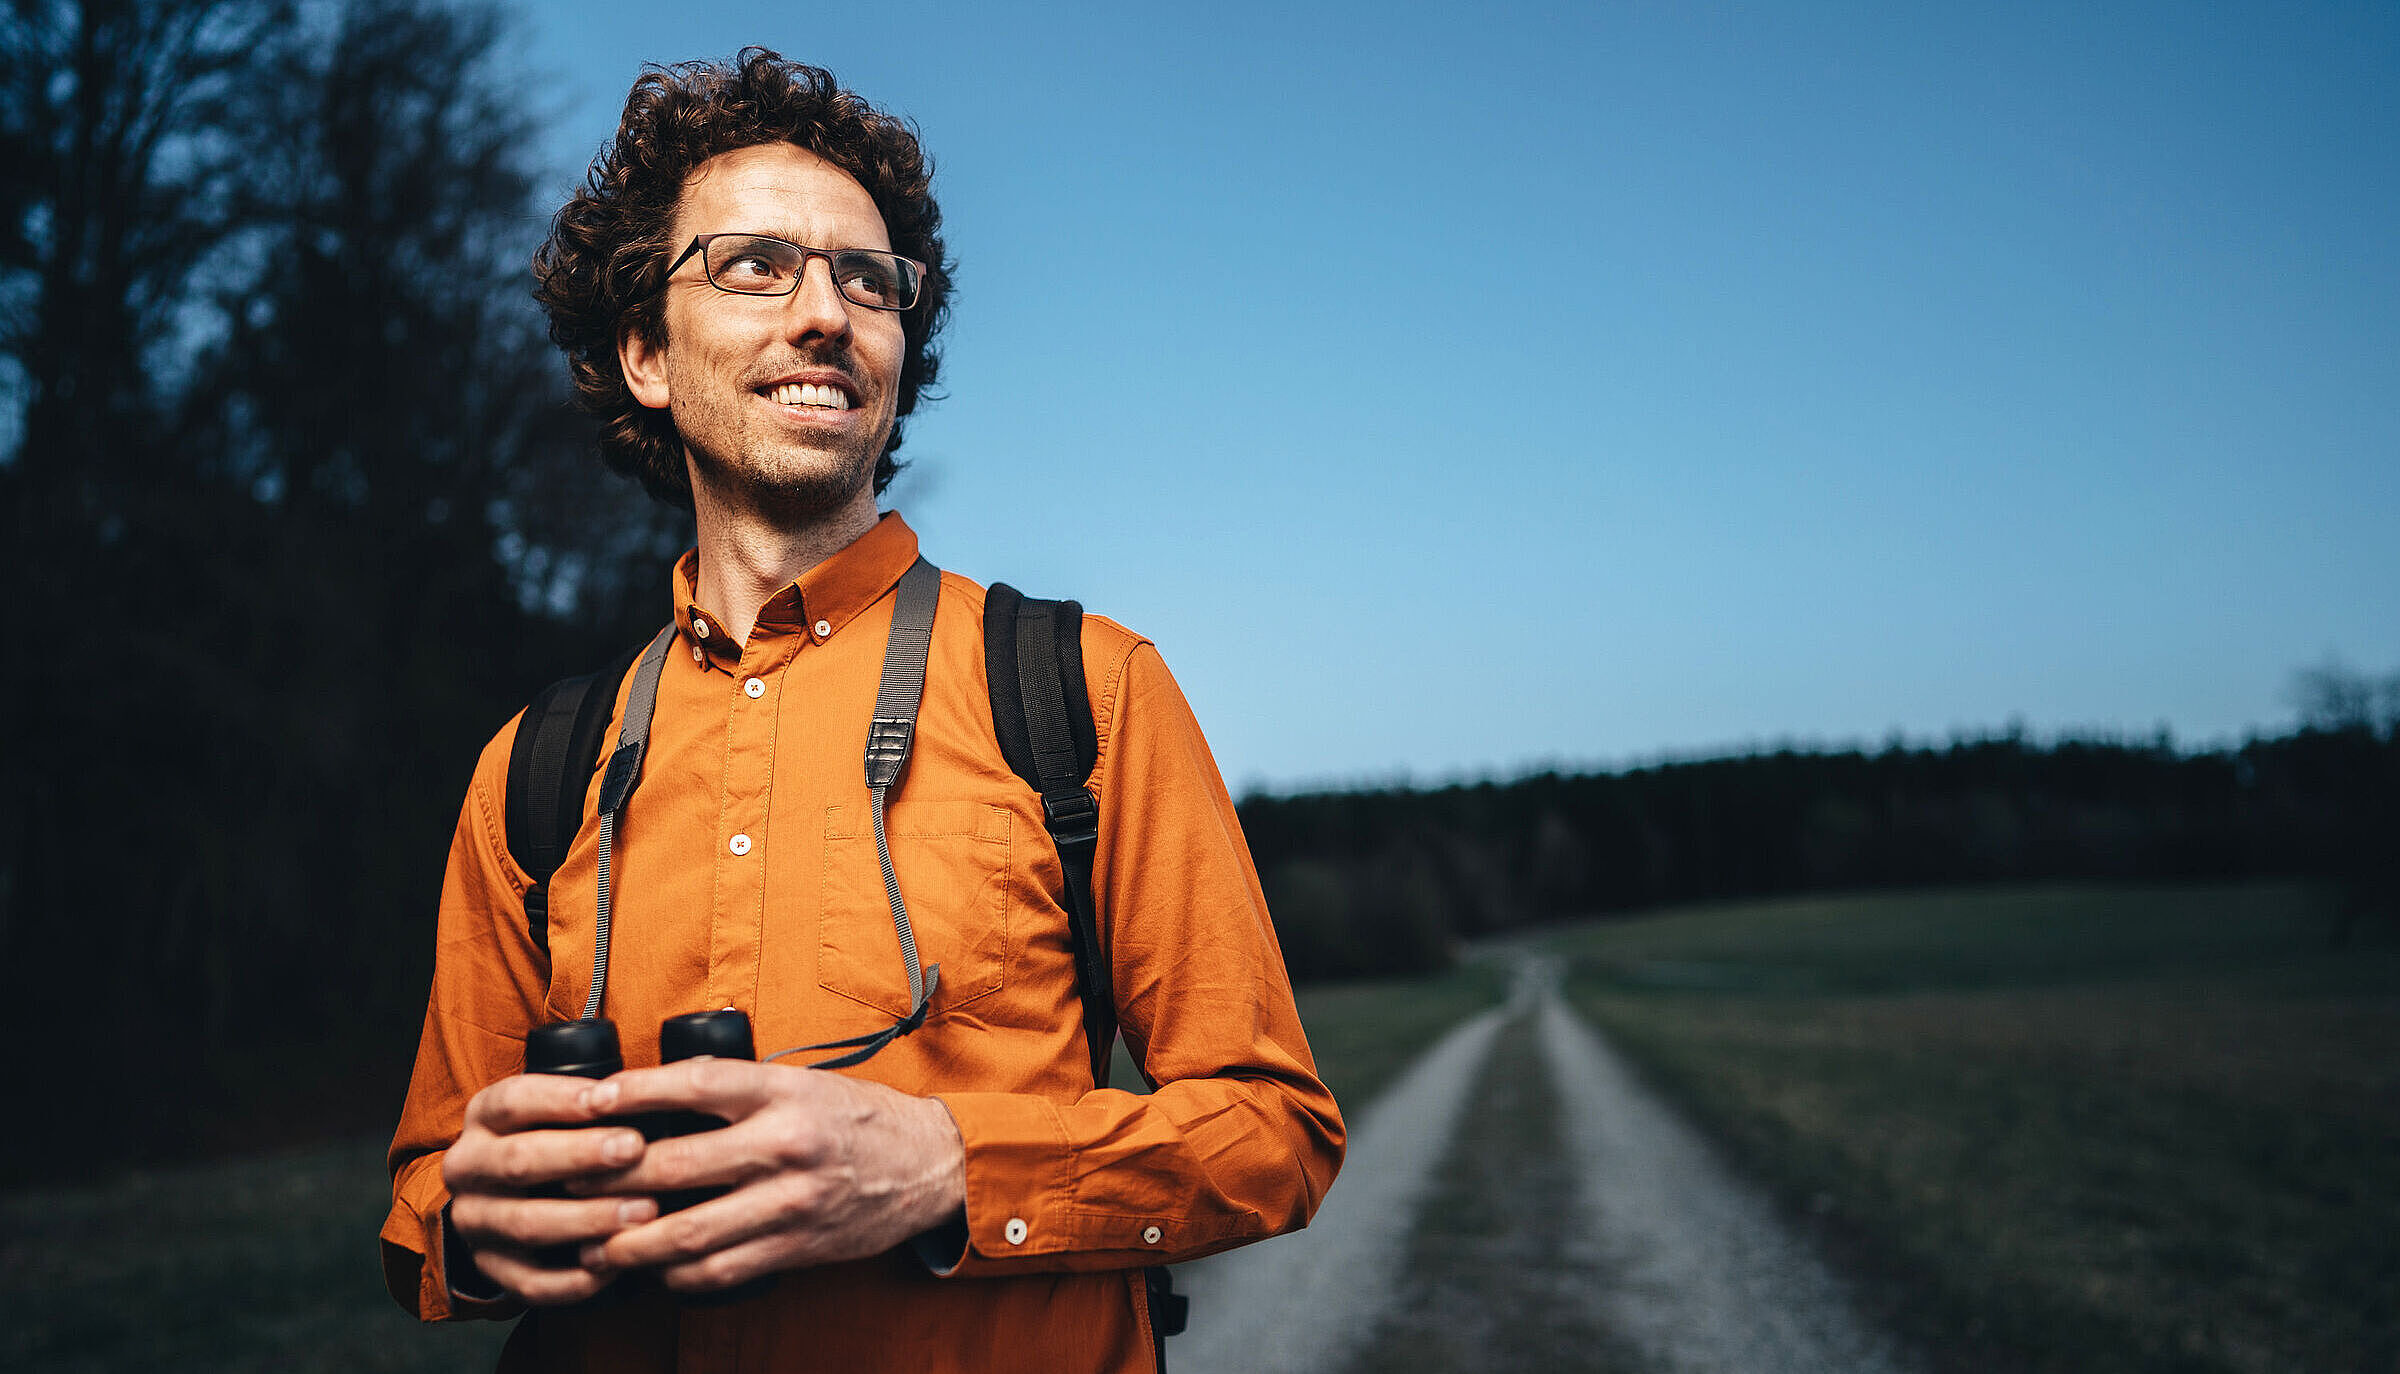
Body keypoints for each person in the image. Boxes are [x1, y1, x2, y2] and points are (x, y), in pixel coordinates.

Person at [379, 49, 1344, 1374]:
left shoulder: (1083, 689)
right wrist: (485, 1227)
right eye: (756, 265)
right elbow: (428, 1196)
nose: (825, 313)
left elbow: (1274, 1128)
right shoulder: (534, 770)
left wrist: (950, 1168)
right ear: (647, 354)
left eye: (867, 279)